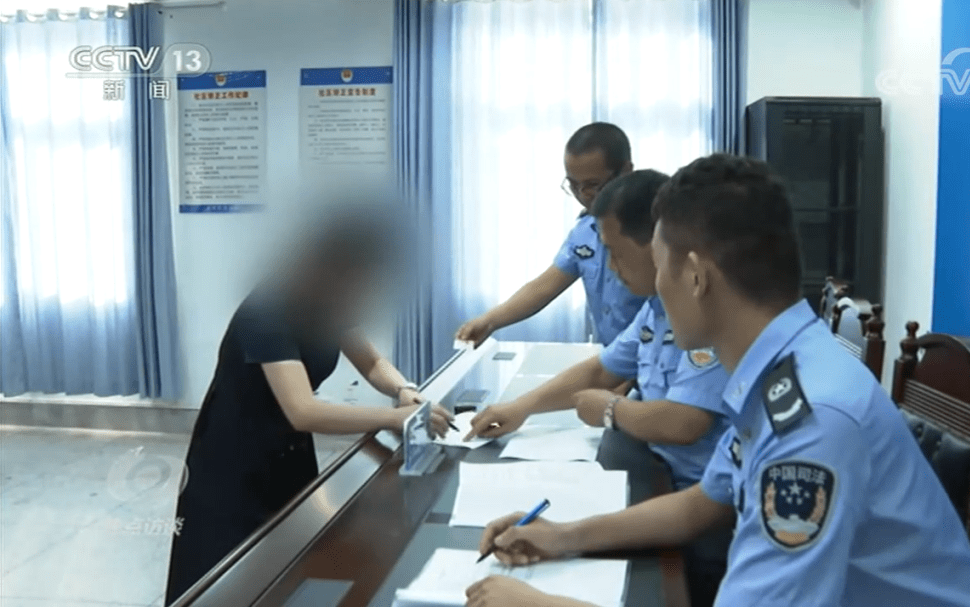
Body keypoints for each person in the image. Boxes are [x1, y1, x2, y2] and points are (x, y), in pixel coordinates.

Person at [464, 153, 970, 607]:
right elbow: (701, 505)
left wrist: (541, 603)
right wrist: (563, 537)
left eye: (662, 266)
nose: (656, 288)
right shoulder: (780, 369)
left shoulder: (812, 420)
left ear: (696, 277)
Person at [465, 169, 732, 606]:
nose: (609, 268)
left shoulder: (707, 322)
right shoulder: (657, 308)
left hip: (700, 523)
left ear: (661, 248)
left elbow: (686, 423)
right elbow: (601, 371)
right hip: (671, 491)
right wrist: (521, 407)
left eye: (616, 254)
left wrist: (612, 410)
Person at [164, 208, 453, 603]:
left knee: (292, 568)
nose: (362, 291)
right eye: (359, 278)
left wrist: (404, 389)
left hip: (287, 453)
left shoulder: (330, 302)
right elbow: (302, 410)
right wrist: (394, 418)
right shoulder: (267, 311)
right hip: (233, 463)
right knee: (225, 583)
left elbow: (371, 362)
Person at [455, 122, 646, 348]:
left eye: (593, 185)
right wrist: (489, 321)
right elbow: (545, 286)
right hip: (612, 358)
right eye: (573, 185)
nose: (583, 195)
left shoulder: (656, 230)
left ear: (625, 172)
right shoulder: (585, 230)